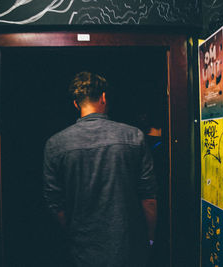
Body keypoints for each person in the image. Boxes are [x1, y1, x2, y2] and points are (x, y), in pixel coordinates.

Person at [43, 71, 157, 267]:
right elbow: (149, 198)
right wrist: (150, 239)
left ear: (76, 104)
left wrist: (74, 233)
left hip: (82, 249)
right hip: (128, 246)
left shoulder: (55, 144)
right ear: (104, 97)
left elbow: (54, 203)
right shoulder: (134, 137)